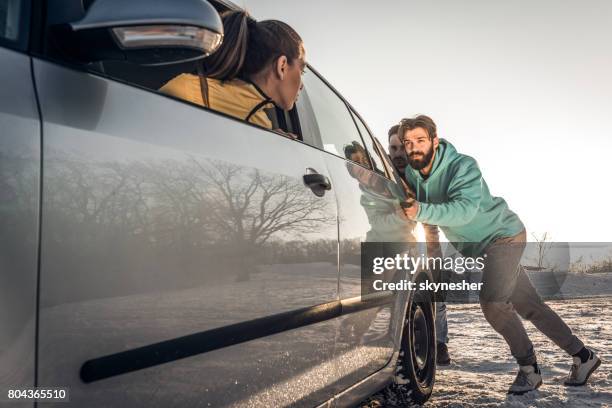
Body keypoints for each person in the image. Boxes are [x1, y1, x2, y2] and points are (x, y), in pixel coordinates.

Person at [398, 115, 601, 394]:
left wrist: (420, 210)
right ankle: (583, 356)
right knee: (530, 305)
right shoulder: (412, 173)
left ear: (434, 140)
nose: (413, 148)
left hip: (504, 236)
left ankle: (529, 370)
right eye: (408, 143)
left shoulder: (462, 166)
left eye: (420, 140)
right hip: (484, 246)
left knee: (493, 303)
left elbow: (464, 210)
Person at [160, 10, 305, 132]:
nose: (302, 85)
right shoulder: (187, 92)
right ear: (282, 66)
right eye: (302, 71)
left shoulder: (262, 123)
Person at [388, 124, 452, 366]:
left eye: (401, 148)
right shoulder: (384, 171)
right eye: (392, 148)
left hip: (426, 235)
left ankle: (439, 343)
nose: (397, 154)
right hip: (395, 239)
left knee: (436, 293)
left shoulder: (423, 171)